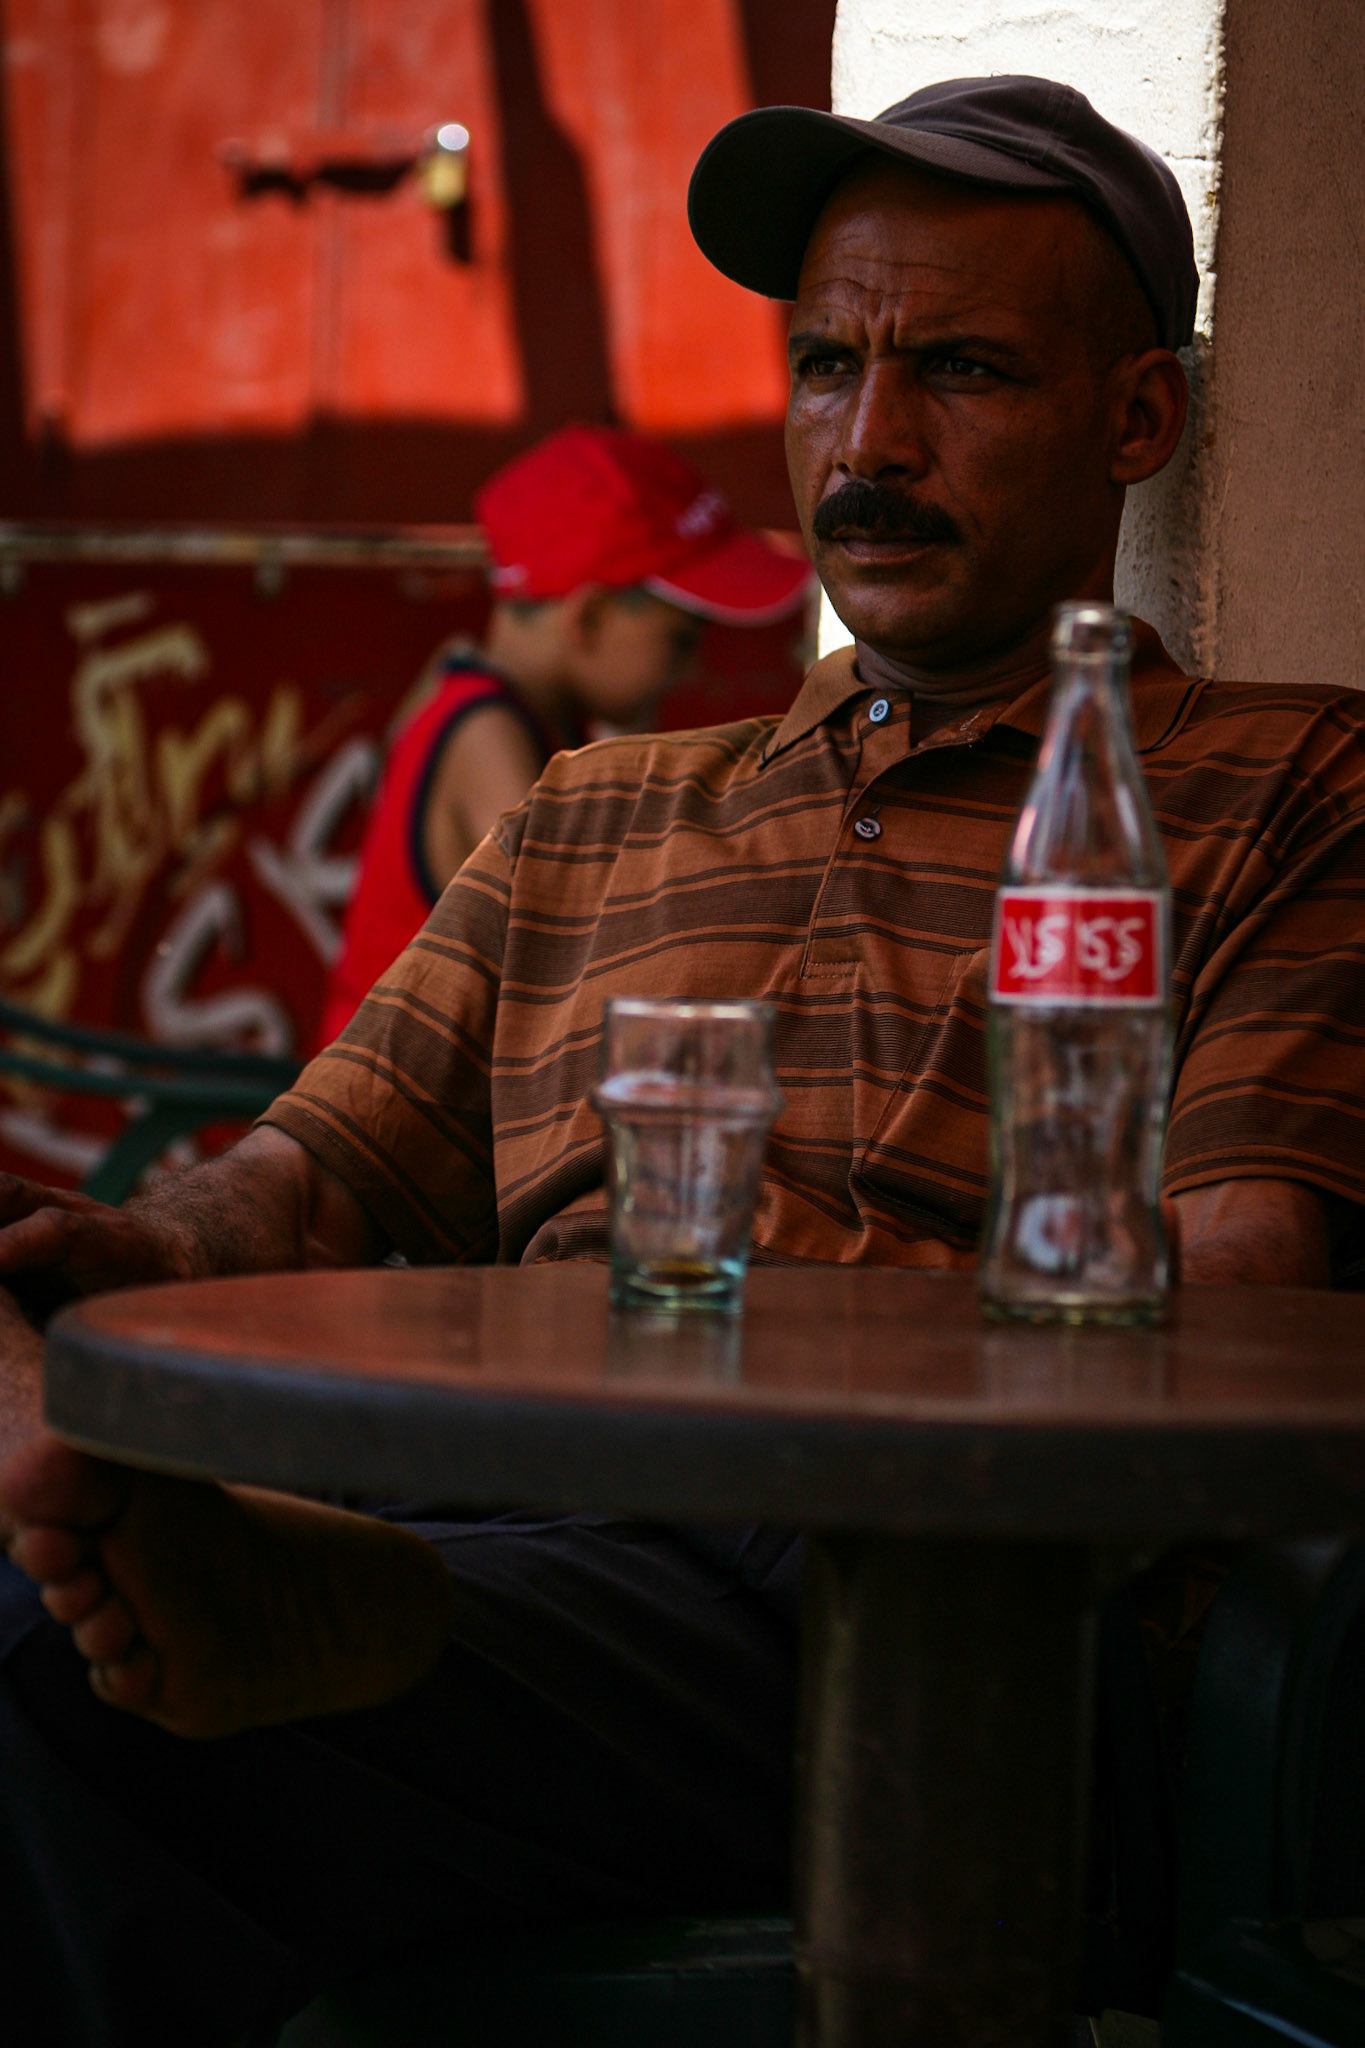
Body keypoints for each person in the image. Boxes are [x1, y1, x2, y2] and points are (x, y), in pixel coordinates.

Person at [2, 74, 1364, 2043]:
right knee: (62, 1671)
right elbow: (298, 1178)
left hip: (943, 1613)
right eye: (826, 365)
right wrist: (102, 1262)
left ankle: (371, 1622)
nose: (867, 442)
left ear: (1133, 416)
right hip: (532, 1511)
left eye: (961, 370)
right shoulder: (595, 809)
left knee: (69, 1690)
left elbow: (1232, 1277)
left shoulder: (1281, 784)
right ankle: (363, 1606)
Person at [319, 422, 813, 1044]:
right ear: (589, 618)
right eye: (681, 640)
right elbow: (598, 951)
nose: (689, 670)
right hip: (386, 1131)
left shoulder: (524, 715)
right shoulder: (486, 737)